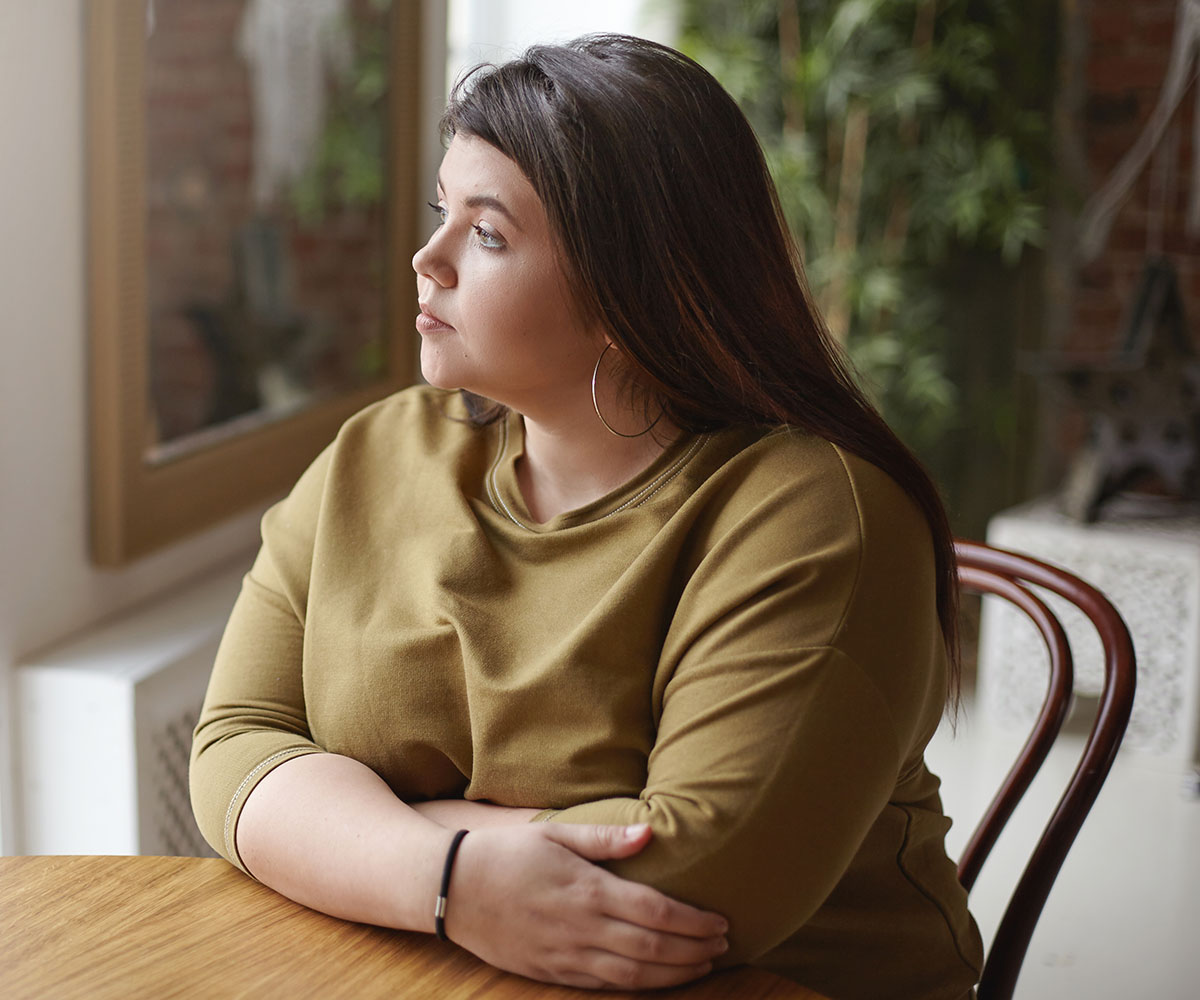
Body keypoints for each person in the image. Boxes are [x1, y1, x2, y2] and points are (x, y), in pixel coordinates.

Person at [190, 33, 983, 1000]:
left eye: (485, 234)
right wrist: (450, 880)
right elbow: (234, 745)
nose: (425, 258)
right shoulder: (380, 452)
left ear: (631, 288)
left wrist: (358, 829)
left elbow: (696, 886)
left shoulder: (817, 514)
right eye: (444, 211)